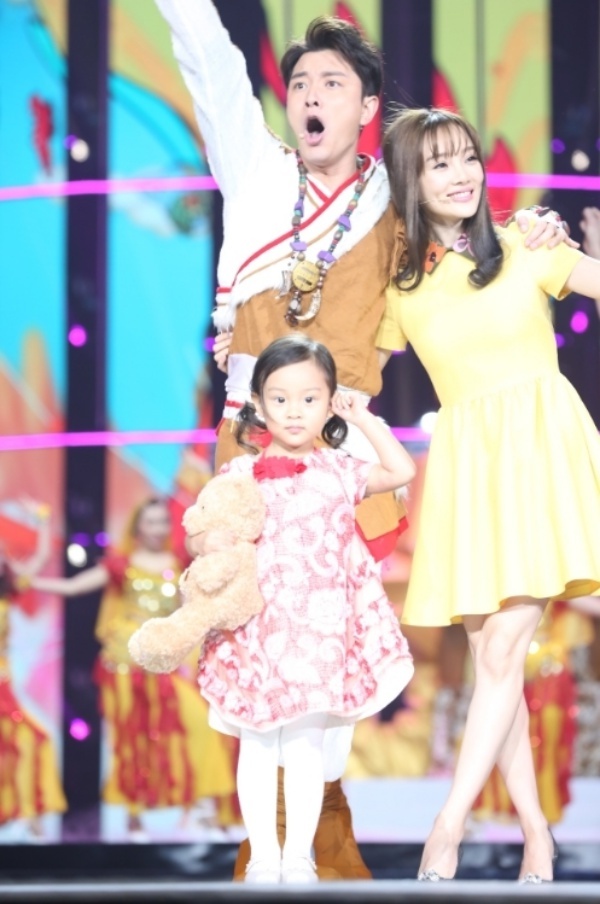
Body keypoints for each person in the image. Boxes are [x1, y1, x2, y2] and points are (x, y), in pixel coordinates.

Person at [154, 0, 572, 879]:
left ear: (367, 107)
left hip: (346, 452)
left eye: (331, 84)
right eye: (300, 84)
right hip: (252, 451)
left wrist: (538, 231)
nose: (310, 97)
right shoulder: (255, 167)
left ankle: (323, 845)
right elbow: (209, 58)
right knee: (252, 655)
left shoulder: (391, 202)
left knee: (331, 664)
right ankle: (272, 856)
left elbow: (465, 232)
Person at [376, 106, 600, 884]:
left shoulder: (529, 246)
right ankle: (537, 834)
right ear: (411, 180)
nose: (460, 173)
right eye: (439, 162)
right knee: (489, 665)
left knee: (503, 652)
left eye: (466, 156)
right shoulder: (402, 285)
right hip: (470, 471)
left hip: (544, 455)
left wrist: (587, 243)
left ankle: (447, 827)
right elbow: (354, 374)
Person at [193, 334, 415, 883]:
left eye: (310, 398)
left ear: (329, 401)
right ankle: (263, 858)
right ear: (258, 403)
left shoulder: (340, 469)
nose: (295, 411)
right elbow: (201, 533)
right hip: (255, 632)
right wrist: (209, 543)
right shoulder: (238, 475)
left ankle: (298, 857)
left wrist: (362, 419)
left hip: (319, 635)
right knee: (257, 744)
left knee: (305, 745)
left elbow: (400, 471)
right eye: (281, 398)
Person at [31, 496, 235, 842]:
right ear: (138, 526)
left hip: (164, 663)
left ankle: (203, 809)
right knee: (132, 740)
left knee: (197, 725)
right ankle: (134, 819)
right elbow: (72, 586)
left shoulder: (180, 564)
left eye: (163, 522)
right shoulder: (121, 565)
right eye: (151, 521)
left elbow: (190, 614)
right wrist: (26, 582)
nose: (158, 528)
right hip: (124, 665)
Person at [0, 501, 67, 841]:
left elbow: (40, 557)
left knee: (32, 741)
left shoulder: (7, 593)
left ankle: (28, 815)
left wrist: (42, 518)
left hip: (3, 689)